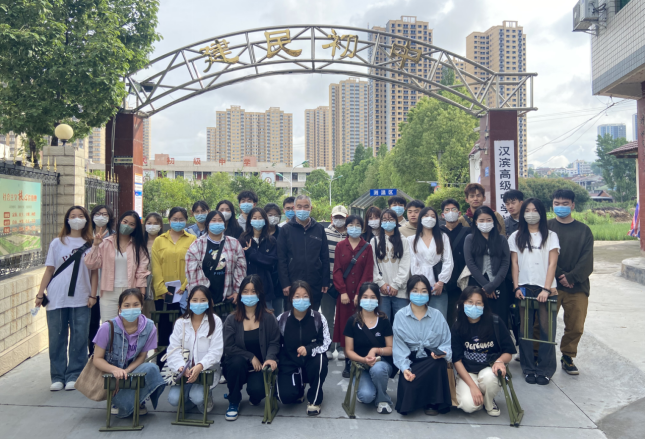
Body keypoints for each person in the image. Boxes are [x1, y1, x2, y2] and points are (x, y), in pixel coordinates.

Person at [35, 206, 97, 391]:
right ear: (67, 220)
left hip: (82, 296)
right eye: (73, 216)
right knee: (57, 338)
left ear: (86, 220)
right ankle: (57, 376)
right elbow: (49, 269)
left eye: (80, 216)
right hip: (57, 296)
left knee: (79, 337)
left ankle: (74, 375)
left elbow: (94, 272)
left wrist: (93, 295)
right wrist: (40, 294)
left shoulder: (92, 243)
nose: (77, 219)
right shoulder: (57, 242)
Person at [509, 198, 560, 386]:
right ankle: (528, 368)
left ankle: (545, 370)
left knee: (547, 331)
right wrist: (516, 287)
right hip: (524, 288)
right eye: (527, 210)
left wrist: (546, 288)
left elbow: (552, 263)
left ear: (541, 213)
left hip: (546, 289)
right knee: (525, 332)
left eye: (535, 210)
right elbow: (514, 263)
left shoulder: (551, 236)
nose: (531, 214)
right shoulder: (516, 236)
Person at [91, 289, 165, 417]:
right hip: (111, 375)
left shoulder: (149, 327)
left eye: (136, 305)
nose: (131, 309)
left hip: (133, 371)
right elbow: (97, 359)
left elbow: (142, 356)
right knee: (121, 400)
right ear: (119, 308)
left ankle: (136, 400)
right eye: (126, 305)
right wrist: (115, 371)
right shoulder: (107, 327)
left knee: (152, 368)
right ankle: (122, 401)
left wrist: (126, 371)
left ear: (142, 306)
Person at [548, 189, 594, 376]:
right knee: (542, 323)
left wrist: (571, 277)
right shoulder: (546, 227)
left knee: (575, 325)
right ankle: (537, 354)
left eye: (565, 204)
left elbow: (587, 260)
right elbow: (542, 255)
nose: (561, 207)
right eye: (557, 203)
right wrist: (560, 275)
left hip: (577, 286)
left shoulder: (584, 230)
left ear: (573, 205)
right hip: (550, 285)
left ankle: (568, 356)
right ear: (552, 205)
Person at [393, 275, 452, 416]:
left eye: (424, 291)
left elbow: (446, 342)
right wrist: (405, 369)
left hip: (432, 360)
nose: (419, 294)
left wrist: (443, 353)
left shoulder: (437, 315)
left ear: (429, 293)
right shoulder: (400, 316)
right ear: (408, 292)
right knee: (406, 402)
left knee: (439, 364)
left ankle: (432, 402)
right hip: (412, 362)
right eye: (415, 290)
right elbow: (399, 348)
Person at [452, 287, 516, 417]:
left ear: (484, 305)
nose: (474, 306)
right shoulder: (457, 326)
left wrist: (500, 361)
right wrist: (472, 387)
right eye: (470, 302)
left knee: (489, 378)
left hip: (489, 369)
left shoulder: (495, 322)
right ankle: (480, 394)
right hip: (468, 373)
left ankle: (489, 401)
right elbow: (457, 360)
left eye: (478, 303)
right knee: (468, 406)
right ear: (462, 303)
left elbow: (509, 352)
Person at [223, 275, 280, 421]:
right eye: (245, 291)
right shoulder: (231, 319)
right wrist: (250, 356)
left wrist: (270, 358)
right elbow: (228, 347)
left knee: (257, 391)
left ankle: (254, 396)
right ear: (240, 294)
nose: (249, 295)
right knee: (236, 362)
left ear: (260, 294)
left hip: (259, 367)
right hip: (238, 366)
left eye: (253, 291)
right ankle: (234, 401)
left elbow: (274, 342)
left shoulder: (269, 318)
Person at [276, 281, 331, 417]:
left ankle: (315, 400)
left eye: (305, 296)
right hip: (290, 362)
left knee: (321, 360)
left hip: (311, 360)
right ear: (291, 298)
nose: (301, 300)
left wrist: (309, 349)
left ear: (310, 298)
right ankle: (299, 389)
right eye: (297, 296)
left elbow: (325, 343)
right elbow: (276, 344)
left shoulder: (318, 318)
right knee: (285, 398)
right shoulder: (282, 319)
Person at [151, 207, 196, 366]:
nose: (178, 222)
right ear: (169, 221)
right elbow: (156, 266)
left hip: (185, 292)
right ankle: (162, 365)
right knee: (164, 329)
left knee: (184, 330)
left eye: (181, 219)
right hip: (165, 293)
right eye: (175, 219)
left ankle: (183, 366)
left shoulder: (192, 239)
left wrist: (185, 286)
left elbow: (194, 264)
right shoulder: (159, 240)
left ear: (186, 221)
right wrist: (162, 289)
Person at [167, 286, 224, 414]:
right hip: (185, 373)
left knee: (197, 397)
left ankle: (205, 396)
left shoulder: (216, 321)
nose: (198, 303)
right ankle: (191, 398)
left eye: (203, 300)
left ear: (209, 302)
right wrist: (181, 367)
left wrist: (200, 366)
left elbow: (216, 351)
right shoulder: (181, 322)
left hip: (206, 371)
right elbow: (173, 349)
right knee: (174, 400)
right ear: (189, 302)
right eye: (194, 300)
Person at [85, 210, 150, 321]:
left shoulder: (138, 246)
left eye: (131, 224)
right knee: (109, 325)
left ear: (136, 227)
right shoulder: (105, 243)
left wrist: (142, 294)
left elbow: (141, 272)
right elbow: (91, 264)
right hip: (108, 292)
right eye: (125, 222)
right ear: (119, 222)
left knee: (129, 324)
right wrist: (95, 245)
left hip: (131, 291)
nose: (127, 226)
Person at [333, 215, 374, 378]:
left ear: (362, 227)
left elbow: (368, 272)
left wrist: (359, 293)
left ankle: (360, 359)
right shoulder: (340, 246)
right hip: (344, 296)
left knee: (361, 326)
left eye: (358, 224)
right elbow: (337, 270)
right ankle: (348, 361)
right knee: (345, 327)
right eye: (351, 224)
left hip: (361, 295)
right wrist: (342, 291)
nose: (354, 227)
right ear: (346, 226)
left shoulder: (367, 247)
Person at [344, 282, 394, 414]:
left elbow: (391, 348)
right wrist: (364, 360)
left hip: (381, 364)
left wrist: (376, 350)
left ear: (378, 299)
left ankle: (383, 400)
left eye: (373, 297)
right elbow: (348, 351)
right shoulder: (352, 321)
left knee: (378, 369)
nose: (369, 300)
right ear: (359, 298)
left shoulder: (383, 320)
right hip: (360, 366)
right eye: (365, 297)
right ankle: (373, 388)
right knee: (366, 396)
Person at [277, 195, 330, 311]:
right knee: (292, 317)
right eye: (299, 206)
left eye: (306, 206)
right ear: (294, 208)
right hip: (293, 283)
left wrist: (325, 281)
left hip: (314, 282)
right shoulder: (286, 229)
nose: (302, 210)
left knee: (313, 316)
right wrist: (285, 283)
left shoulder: (319, 229)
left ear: (311, 208)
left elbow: (325, 257)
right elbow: (281, 259)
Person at [186, 211, 247, 307]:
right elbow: (192, 273)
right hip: (203, 300)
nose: (217, 223)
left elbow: (240, 269)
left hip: (228, 298)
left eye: (220, 220)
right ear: (207, 224)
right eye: (213, 220)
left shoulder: (234, 243)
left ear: (224, 224)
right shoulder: (197, 245)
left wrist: (238, 291)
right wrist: (203, 296)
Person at [463, 206, 511, 324]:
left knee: (499, 319)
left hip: (498, 283)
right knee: (476, 318)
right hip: (476, 284)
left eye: (489, 220)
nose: (485, 223)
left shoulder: (501, 239)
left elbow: (505, 263)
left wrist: (492, 286)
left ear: (494, 221)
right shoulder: (470, 239)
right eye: (481, 220)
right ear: (476, 222)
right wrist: (486, 286)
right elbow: (470, 263)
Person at [407, 207, 454, 320]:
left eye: (433, 216)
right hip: (419, 286)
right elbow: (414, 263)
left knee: (439, 318)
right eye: (426, 216)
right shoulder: (412, 239)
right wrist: (421, 284)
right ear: (421, 218)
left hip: (438, 285)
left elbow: (448, 261)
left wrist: (441, 282)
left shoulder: (442, 237)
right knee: (420, 318)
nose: (429, 218)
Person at [371, 209, 410, 322]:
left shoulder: (403, 241)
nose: (387, 222)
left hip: (400, 291)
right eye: (384, 219)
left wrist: (396, 285)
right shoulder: (375, 241)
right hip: (381, 291)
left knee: (402, 322)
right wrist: (380, 283)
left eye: (391, 219)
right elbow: (372, 264)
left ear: (396, 221)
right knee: (384, 322)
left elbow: (405, 264)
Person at [239, 207, 281, 313]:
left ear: (265, 220)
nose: (257, 220)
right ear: (250, 220)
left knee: (268, 316)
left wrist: (252, 253)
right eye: (254, 218)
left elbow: (270, 262)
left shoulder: (271, 240)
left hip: (266, 288)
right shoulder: (243, 239)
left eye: (260, 218)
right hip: (247, 286)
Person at [88, 204, 115, 355]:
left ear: (110, 218)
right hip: (90, 287)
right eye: (98, 214)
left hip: (108, 287)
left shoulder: (115, 237)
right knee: (92, 322)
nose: (101, 217)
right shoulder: (86, 236)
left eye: (105, 214)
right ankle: (92, 353)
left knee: (108, 323)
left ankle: (108, 352)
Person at [440, 198, 471, 326]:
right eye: (447, 210)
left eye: (453, 209)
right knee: (443, 315)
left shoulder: (468, 232)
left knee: (460, 316)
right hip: (442, 281)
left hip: (462, 280)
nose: (450, 212)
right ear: (443, 215)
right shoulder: (438, 232)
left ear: (459, 213)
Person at [323, 205, 348, 360]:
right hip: (328, 283)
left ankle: (342, 347)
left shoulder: (351, 234)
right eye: (336, 217)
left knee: (343, 317)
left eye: (342, 217)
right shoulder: (324, 233)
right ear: (331, 218)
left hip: (346, 285)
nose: (339, 220)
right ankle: (328, 346)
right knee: (327, 316)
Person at [142, 212, 163, 318]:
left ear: (161, 226)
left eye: (155, 223)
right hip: (143, 282)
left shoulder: (164, 241)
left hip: (159, 281)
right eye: (149, 223)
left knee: (158, 311)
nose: (152, 226)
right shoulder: (140, 242)